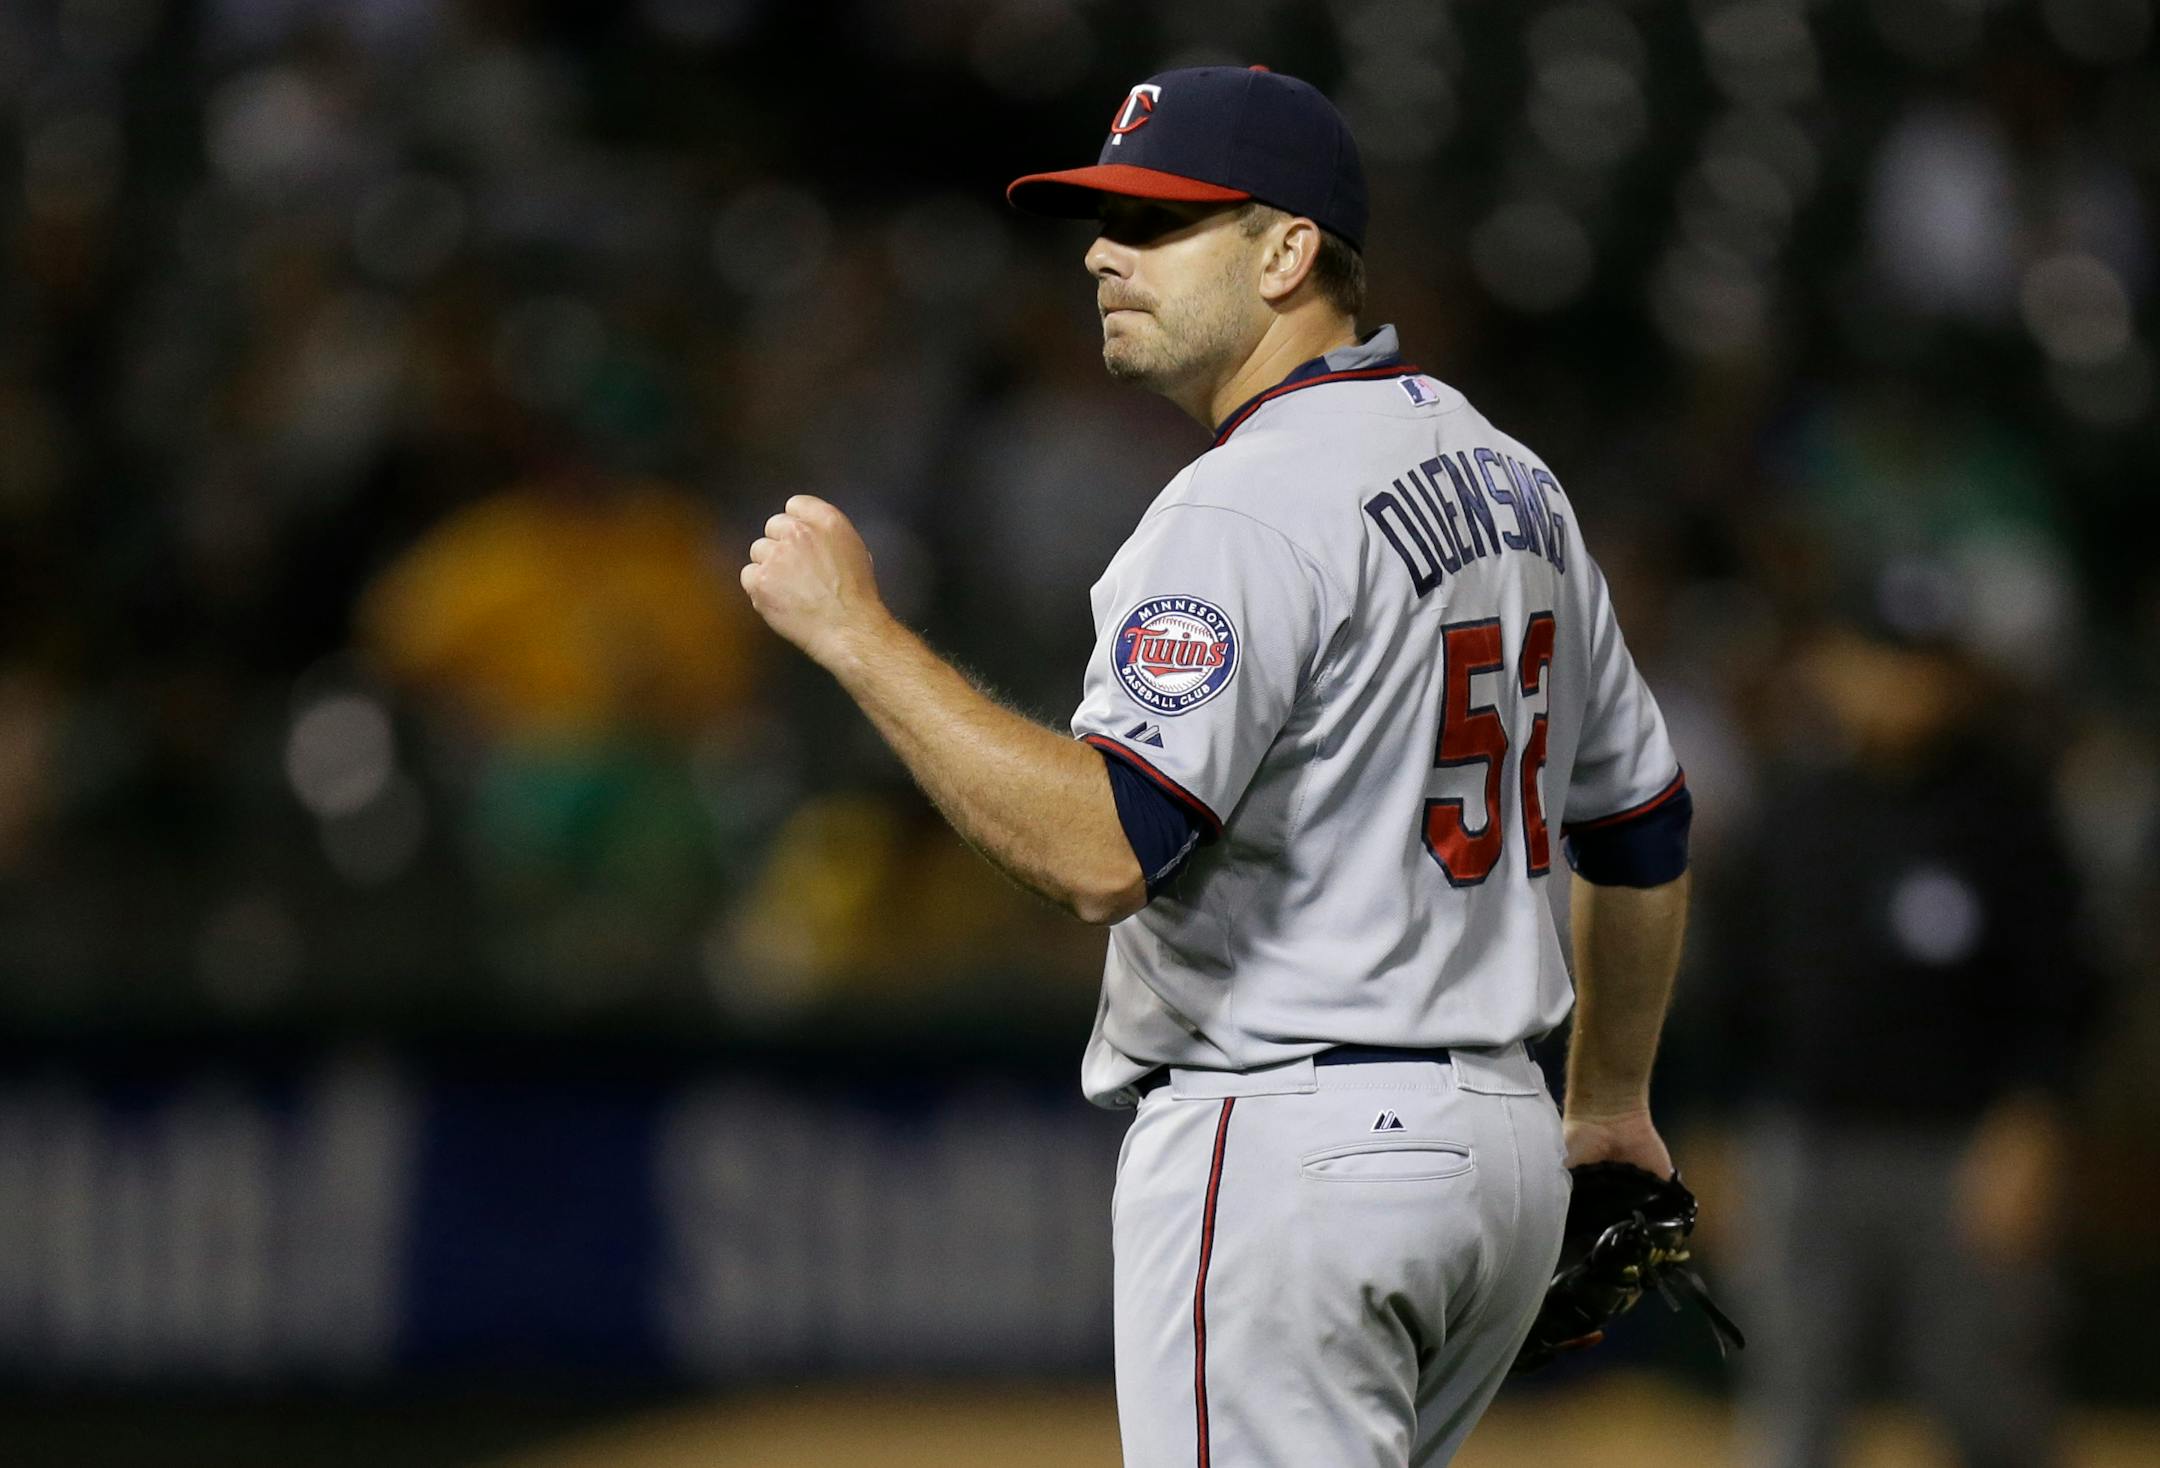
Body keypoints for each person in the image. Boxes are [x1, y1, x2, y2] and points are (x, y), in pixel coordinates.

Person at [739, 65, 1694, 1467]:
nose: (1103, 255)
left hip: (1295, 1144)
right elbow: (1643, 827)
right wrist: (1607, 1102)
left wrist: (857, 636)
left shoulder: (1245, 503)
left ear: (1289, 251)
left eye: (1158, 220)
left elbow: (1106, 851)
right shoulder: (1514, 479)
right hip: (1493, 1146)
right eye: (1104, 220)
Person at [1711, 620, 2089, 1468]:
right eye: (1885, 661)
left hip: (1962, 1153)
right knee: (1794, 1404)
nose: (1905, 686)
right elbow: (1731, 994)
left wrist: (2034, 1124)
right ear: (1836, 667)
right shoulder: (1789, 812)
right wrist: (1718, 1131)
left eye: (1926, 665)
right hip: (1804, 1150)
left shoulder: (2009, 814)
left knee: (1989, 1402)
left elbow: (2062, 991)